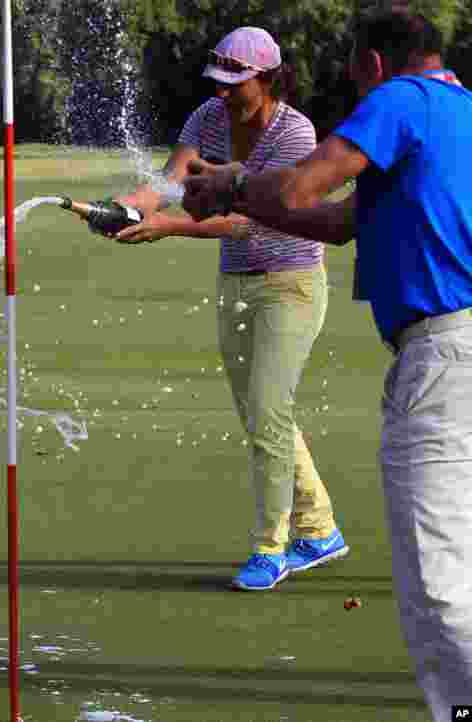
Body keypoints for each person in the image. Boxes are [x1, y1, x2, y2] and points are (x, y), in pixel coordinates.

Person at [182, 10, 472, 719]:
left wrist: (230, 186)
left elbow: (293, 190)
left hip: (444, 352)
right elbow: (343, 222)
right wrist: (250, 197)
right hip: (458, 345)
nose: (349, 81)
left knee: (438, 575)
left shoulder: (403, 98)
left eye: (352, 69)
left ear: (374, 63)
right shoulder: (458, 108)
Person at [111, 27, 348, 591]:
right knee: (263, 415)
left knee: (268, 411)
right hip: (236, 280)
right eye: (218, 80)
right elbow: (170, 183)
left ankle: (273, 546)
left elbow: (251, 218)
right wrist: (121, 207)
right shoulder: (209, 117)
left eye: (236, 83)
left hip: (291, 282)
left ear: (267, 80)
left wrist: (168, 227)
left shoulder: (295, 133)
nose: (224, 93)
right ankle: (321, 529)